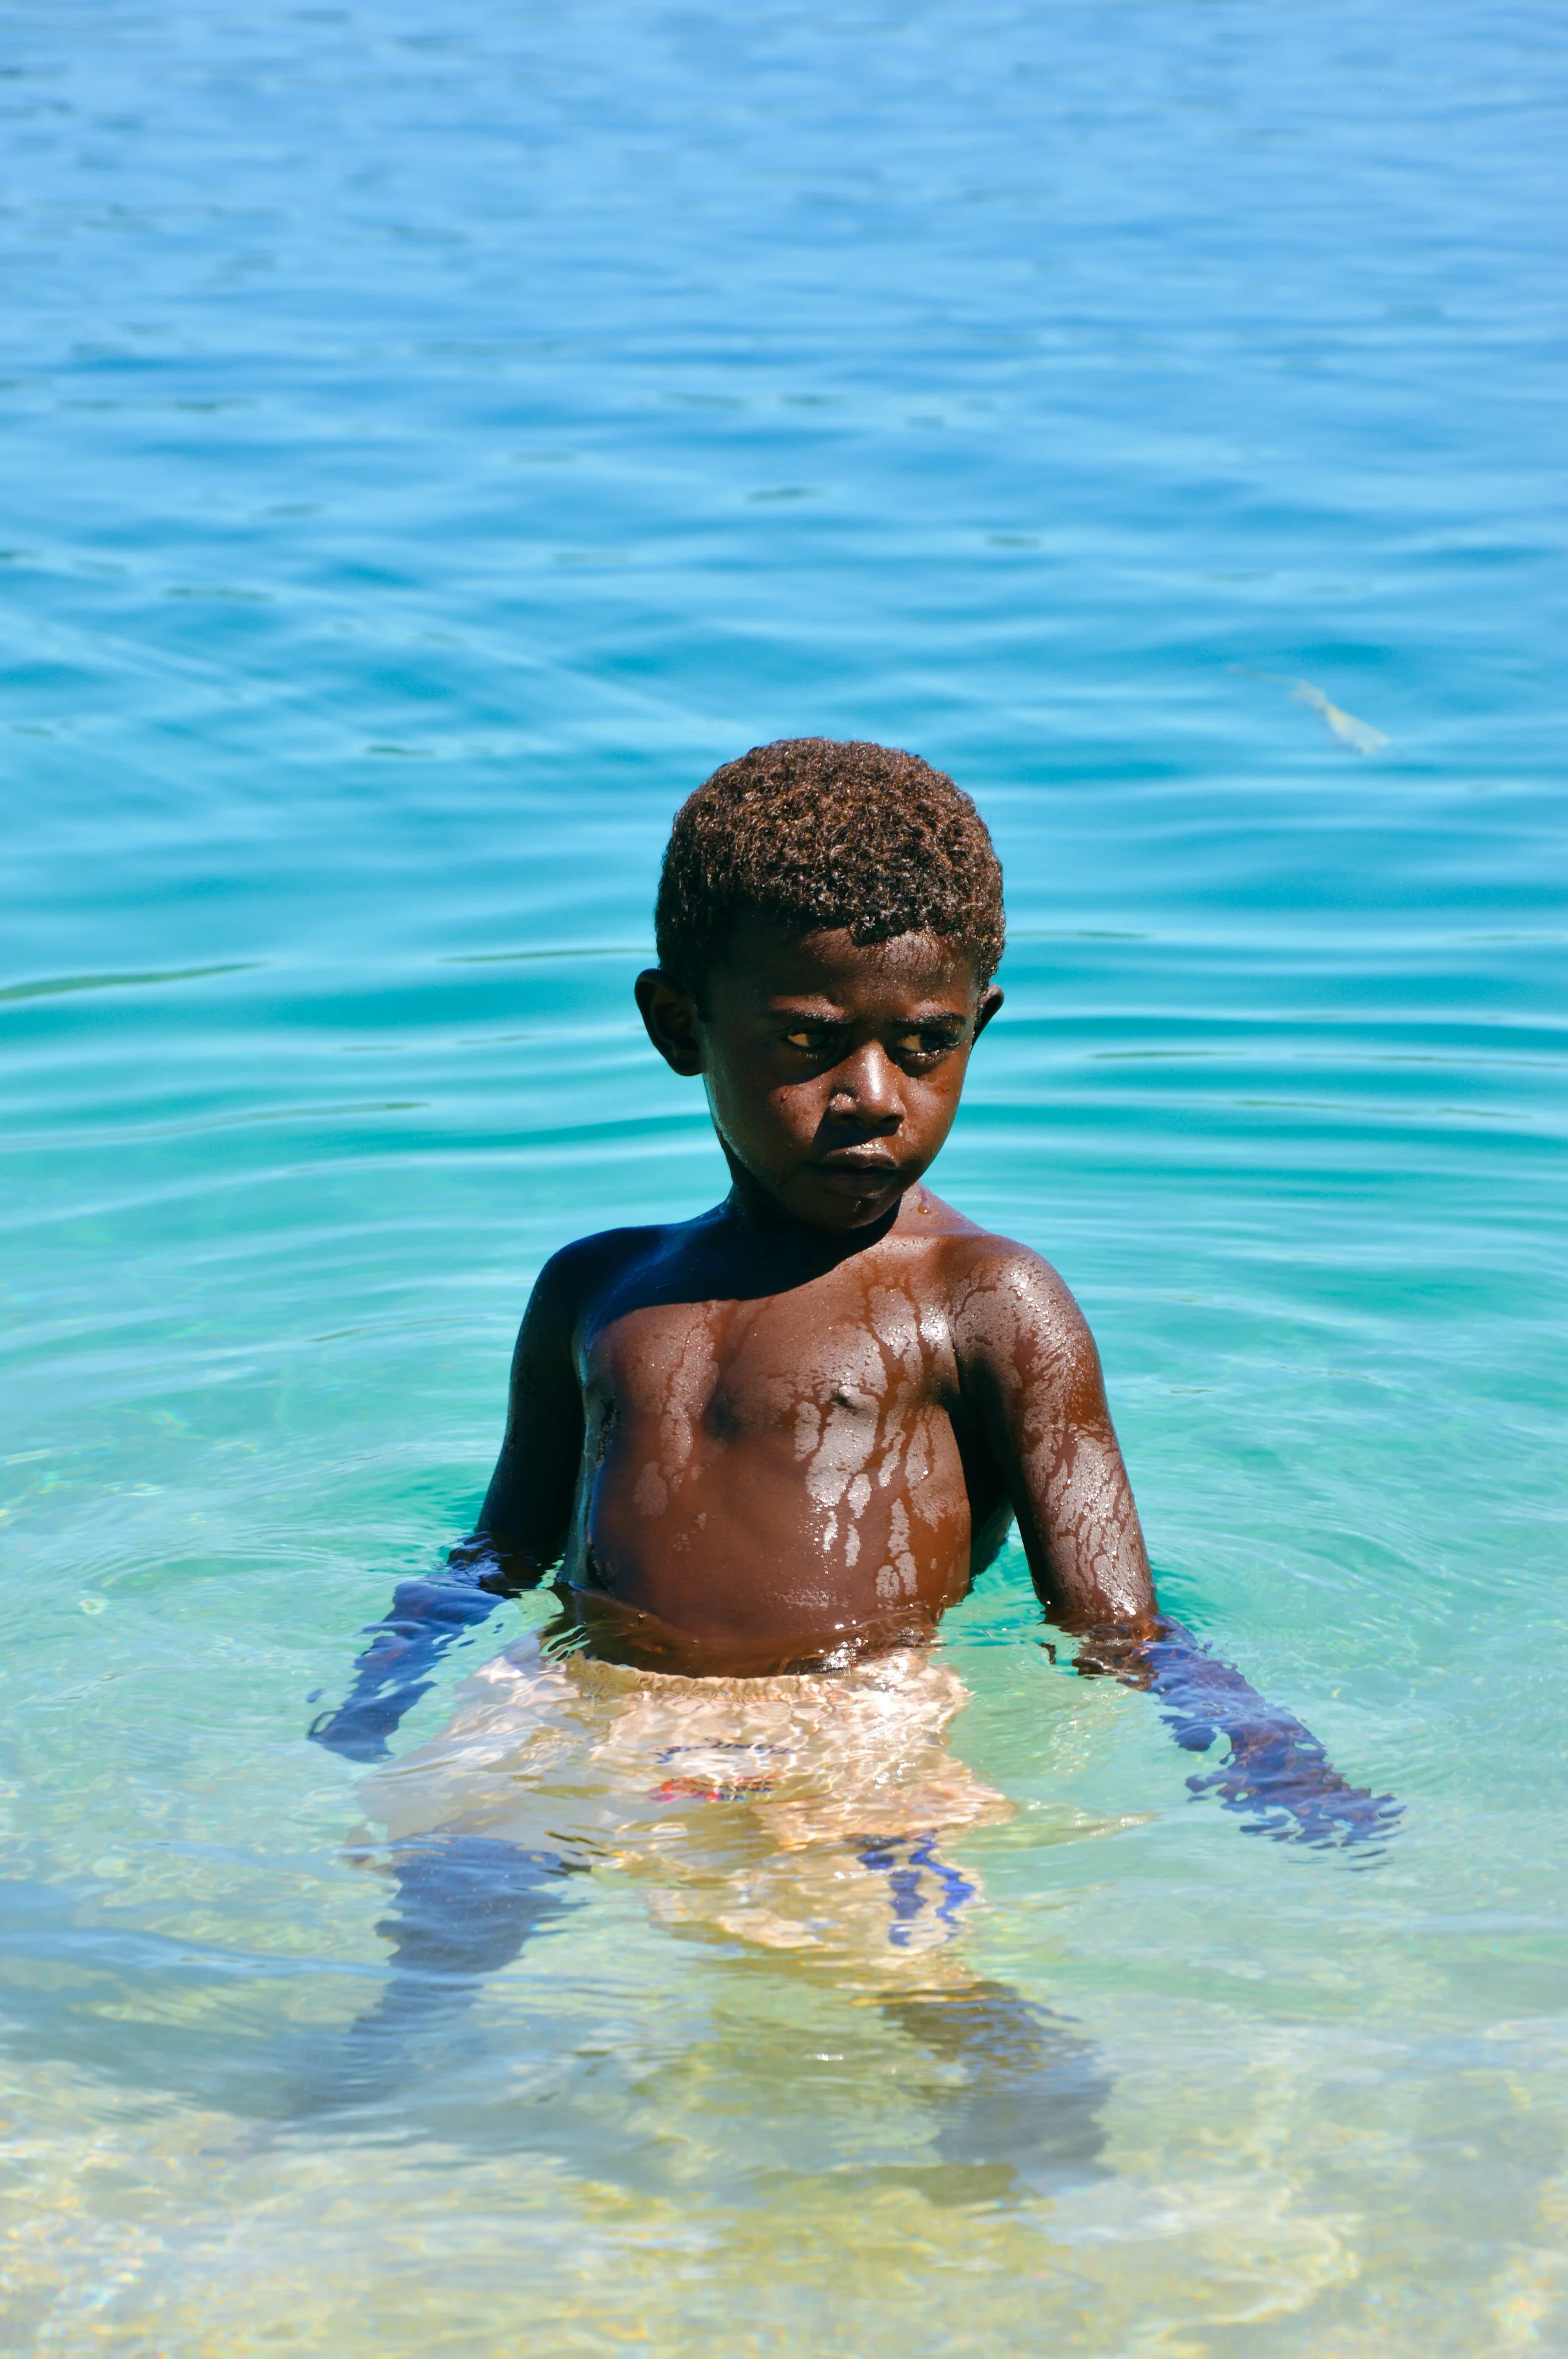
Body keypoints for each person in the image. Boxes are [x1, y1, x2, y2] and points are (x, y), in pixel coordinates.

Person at [307, 739, 1397, 2156]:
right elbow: (504, 1543)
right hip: (586, 1689)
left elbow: (1110, 1610)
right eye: (809, 1039)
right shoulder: (595, 1289)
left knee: (882, 1957)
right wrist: (394, 1664)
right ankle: (382, 2108)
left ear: (976, 1028)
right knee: (445, 1891)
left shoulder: (986, 1298)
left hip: (850, 1712)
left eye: (925, 1043)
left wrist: (1251, 1736)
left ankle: (1012, 2090)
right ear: (676, 1022)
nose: (874, 1090)